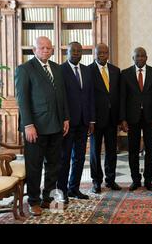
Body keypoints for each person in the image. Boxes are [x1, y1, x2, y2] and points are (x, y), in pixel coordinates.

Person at [15, 36, 69, 216]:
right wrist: (28, 124)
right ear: (34, 50)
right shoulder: (25, 69)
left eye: (49, 48)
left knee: (54, 164)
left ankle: (48, 198)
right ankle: (33, 201)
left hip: (56, 125)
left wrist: (66, 118)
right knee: (34, 166)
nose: (46, 50)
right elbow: (22, 100)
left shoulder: (57, 68)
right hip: (35, 128)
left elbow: (62, 96)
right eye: (42, 48)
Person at [120, 47, 152, 191]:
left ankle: (148, 180)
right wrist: (123, 119)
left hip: (150, 118)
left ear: (146, 57)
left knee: (150, 150)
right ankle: (135, 179)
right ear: (133, 58)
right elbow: (122, 99)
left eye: (142, 56)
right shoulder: (125, 74)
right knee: (133, 150)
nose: (140, 58)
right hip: (132, 118)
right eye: (137, 56)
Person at [57, 42, 95, 203]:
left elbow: (91, 96)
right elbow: (60, 98)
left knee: (79, 157)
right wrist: (64, 118)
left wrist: (92, 120)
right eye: (73, 51)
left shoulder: (86, 70)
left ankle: (74, 188)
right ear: (67, 52)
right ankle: (62, 191)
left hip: (83, 121)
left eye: (79, 51)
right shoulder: (60, 70)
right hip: (67, 122)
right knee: (64, 158)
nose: (76, 53)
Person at [89, 43, 122, 193]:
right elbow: (87, 98)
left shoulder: (116, 71)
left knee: (111, 151)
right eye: (99, 53)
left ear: (108, 54)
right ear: (95, 54)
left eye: (105, 52)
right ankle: (96, 181)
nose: (102, 55)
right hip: (95, 120)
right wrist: (90, 119)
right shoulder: (88, 71)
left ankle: (111, 179)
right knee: (95, 152)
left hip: (112, 118)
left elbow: (119, 96)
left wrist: (121, 119)